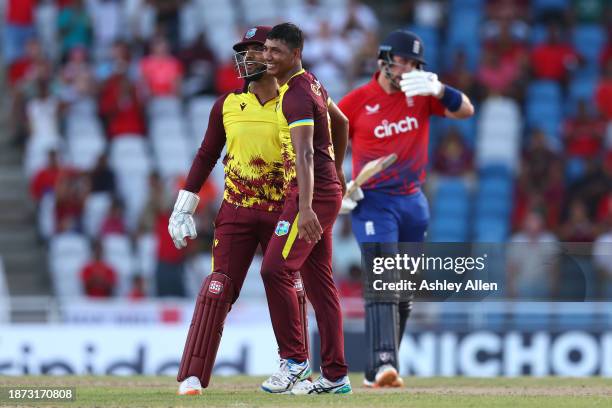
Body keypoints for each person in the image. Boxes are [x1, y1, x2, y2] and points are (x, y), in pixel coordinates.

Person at [167, 26, 311, 395]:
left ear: (274, 55)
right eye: (242, 51)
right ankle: (193, 375)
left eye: (254, 50)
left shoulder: (294, 101)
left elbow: (316, 152)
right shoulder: (227, 104)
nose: (246, 58)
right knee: (218, 288)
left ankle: (297, 371)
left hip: (284, 211)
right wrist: (184, 206)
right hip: (236, 211)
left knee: (288, 285)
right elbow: (206, 155)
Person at [338, 29, 474, 387]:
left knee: (404, 292)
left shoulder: (421, 94)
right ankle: (384, 363)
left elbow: (466, 111)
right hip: (373, 202)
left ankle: (376, 372)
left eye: (415, 64)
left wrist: (440, 89)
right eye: (403, 62)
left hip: (413, 202)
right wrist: (337, 185)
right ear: (384, 60)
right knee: (384, 277)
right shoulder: (355, 102)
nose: (409, 69)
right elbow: (326, 147)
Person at [259, 22, 352, 395]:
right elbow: (342, 122)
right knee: (320, 284)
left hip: (308, 196)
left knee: (274, 269)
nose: (267, 57)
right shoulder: (311, 82)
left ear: (295, 54)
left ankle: (295, 362)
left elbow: (305, 154)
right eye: (266, 50)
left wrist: (308, 206)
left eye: (276, 52)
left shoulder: (295, 95)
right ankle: (335, 375)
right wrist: (340, 171)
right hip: (323, 192)